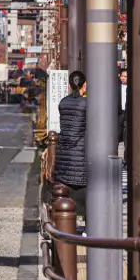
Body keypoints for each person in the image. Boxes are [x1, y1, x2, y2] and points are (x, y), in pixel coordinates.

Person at [53, 71, 87, 220]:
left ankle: (66, 224)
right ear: (83, 85)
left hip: (64, 150)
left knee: (67, 187)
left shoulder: (63, 102)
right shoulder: (86, 104)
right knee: (83, 188)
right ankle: (87, 225)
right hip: (80, 151)